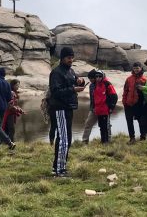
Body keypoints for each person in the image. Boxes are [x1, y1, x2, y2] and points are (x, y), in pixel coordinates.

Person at [49, 46, 86, 177]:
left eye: (72, 57)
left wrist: (81, 81)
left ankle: (59, 167)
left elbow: (77, 82)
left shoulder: (71, 71)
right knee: (63, 139)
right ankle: (59, 170)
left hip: (69, 107)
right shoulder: (56, 72)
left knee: (67, 139)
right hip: (60, 108)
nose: (71, 60)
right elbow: (56, 92)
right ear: (63, 58)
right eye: (69, 57)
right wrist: (73, 89)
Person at [122, 62, 147, 144]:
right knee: (129, 122)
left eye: (137, 68)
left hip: (139, 104)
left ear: (141, 68)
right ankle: (132, 138)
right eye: (134, 68)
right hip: (128, 104)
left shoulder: (145, 79)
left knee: (142, 122)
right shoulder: (129, 79)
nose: (136, 70)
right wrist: (124, 101)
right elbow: (125, 90)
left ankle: (143, 137)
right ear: (132, 69)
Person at [93, 70, 118, 144]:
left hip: (105, 109)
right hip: (98, 109)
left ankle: (106, 141)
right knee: (101, 126)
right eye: (96, 76)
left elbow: (114, 96)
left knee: (105, 126)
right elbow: (95, 97)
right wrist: (94, 107)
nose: (98, 78)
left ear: (103, 76)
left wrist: (111, 108)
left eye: (100, 76)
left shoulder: (107, 84)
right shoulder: (96, 85)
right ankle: (102, 140)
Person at [81, 69, 97, 144]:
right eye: (89, 78)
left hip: (103, 109)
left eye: (92, 78)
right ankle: (84, 140)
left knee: (105, 125)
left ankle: (106, 140)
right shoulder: (91, 86)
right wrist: (91, 108)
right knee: (88, 124)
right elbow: (92, 98)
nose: (90, 80)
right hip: (93, 109)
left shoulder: (103, 84)